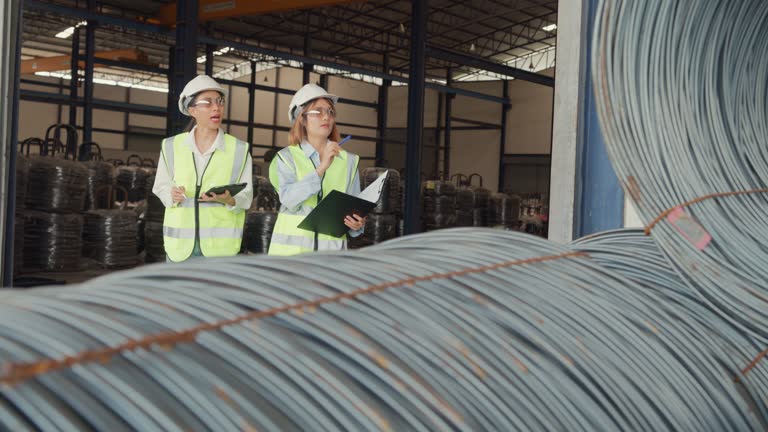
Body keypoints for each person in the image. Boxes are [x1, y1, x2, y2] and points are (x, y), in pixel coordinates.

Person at [152, 75, 253, 262]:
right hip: (180, 248)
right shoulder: (171, 146)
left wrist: (230, 199)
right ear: (192, 110)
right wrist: (170, 194)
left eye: (219, 101)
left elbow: (246, 196)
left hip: (220, 249)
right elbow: (160, 186)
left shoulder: (239, 149)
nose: (216, 107)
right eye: (207, 103)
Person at [268, 83, 365, 255]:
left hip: (330, 258)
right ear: (302, 119)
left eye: (330, 111)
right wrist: (321, 168)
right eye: (317, 112)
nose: (326, 117)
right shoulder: (286, 158)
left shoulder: (349, 162)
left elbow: (353, 211)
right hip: (290, 257)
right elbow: (289, 199)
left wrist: (357, 224)